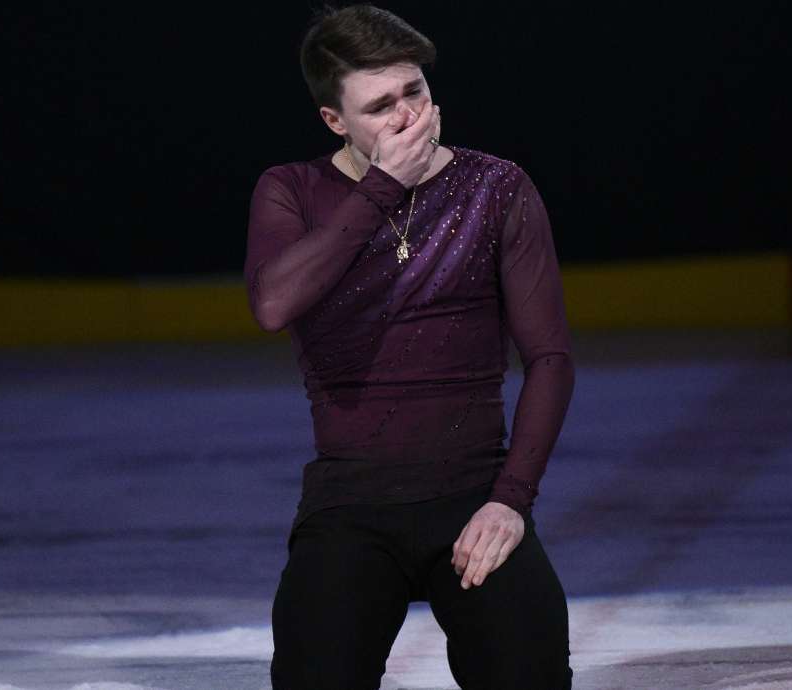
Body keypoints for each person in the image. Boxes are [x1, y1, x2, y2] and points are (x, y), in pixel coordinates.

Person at [244, 4, 575, 688]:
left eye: (414, 92)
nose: (407, 117)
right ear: (335, 120)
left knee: (531, 672)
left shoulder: (496, 187)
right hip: (349, 505)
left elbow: (550, 360)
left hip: (473, 495)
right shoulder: (292, 190)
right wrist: (382, 188)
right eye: (379, 107)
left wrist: (511, 501)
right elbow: (273, 305)